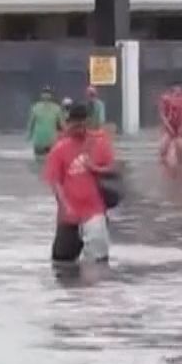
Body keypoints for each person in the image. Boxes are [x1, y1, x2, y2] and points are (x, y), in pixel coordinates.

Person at [44, 100, 117, 264]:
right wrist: (65, 206)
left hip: (95, 211)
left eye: (82, 125)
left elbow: (113, 169)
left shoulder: (99, 143)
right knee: (62, 262)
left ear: (87, 123)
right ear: (68, 123)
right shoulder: (59, 148)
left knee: (99, 262)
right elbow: (55, 183)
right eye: (75, 125)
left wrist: (95, 169)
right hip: (69, 216)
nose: (78, 129)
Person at [158, 83, 182, 167]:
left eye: (179, 88)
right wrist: (169, 127)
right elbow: (162, 115)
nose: (178, 90)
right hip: (169, 126)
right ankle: (165, 164)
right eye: (176, 88)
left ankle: (179, 164)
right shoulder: (165, 99)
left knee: (180, 148)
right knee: (163, 148)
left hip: (180, 127)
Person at [26, 88, 62, 160]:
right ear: (41, 95)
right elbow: (31, 123)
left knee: (51, 161)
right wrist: (29, 135)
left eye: (48, 93)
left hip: (51, 140)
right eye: (45, 93)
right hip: (39, 140)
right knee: (38, 161)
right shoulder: (35, 107)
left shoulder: (57, 108)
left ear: (51, 96)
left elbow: (61, 124)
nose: (46, 95)